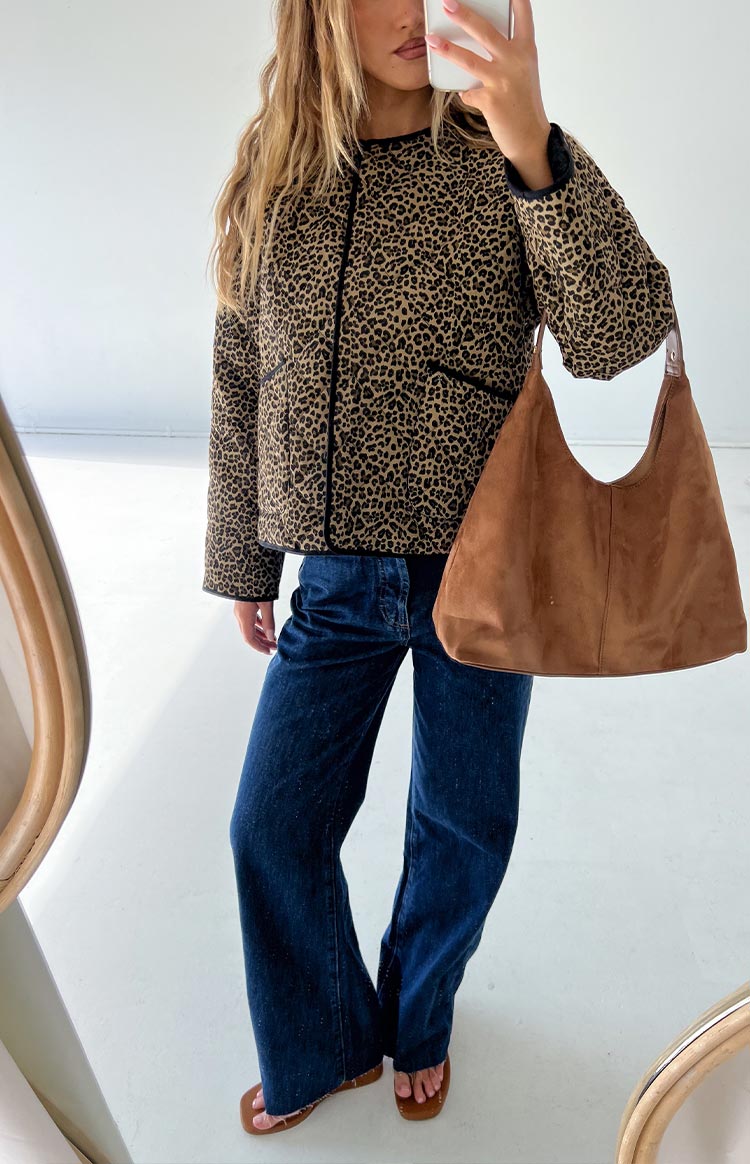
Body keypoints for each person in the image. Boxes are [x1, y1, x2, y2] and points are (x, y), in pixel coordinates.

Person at [202, 0, 675, 1135]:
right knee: (272, 826)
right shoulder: (277, 182)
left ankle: (419, 1017)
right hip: (337, 582)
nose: (415, 8)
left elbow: (623, 331)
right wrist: (245, 559)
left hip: (485, 573)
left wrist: (532, 147)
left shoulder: (502, 155)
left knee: (464, 824)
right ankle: (325, 1040)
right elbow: (240, 376)